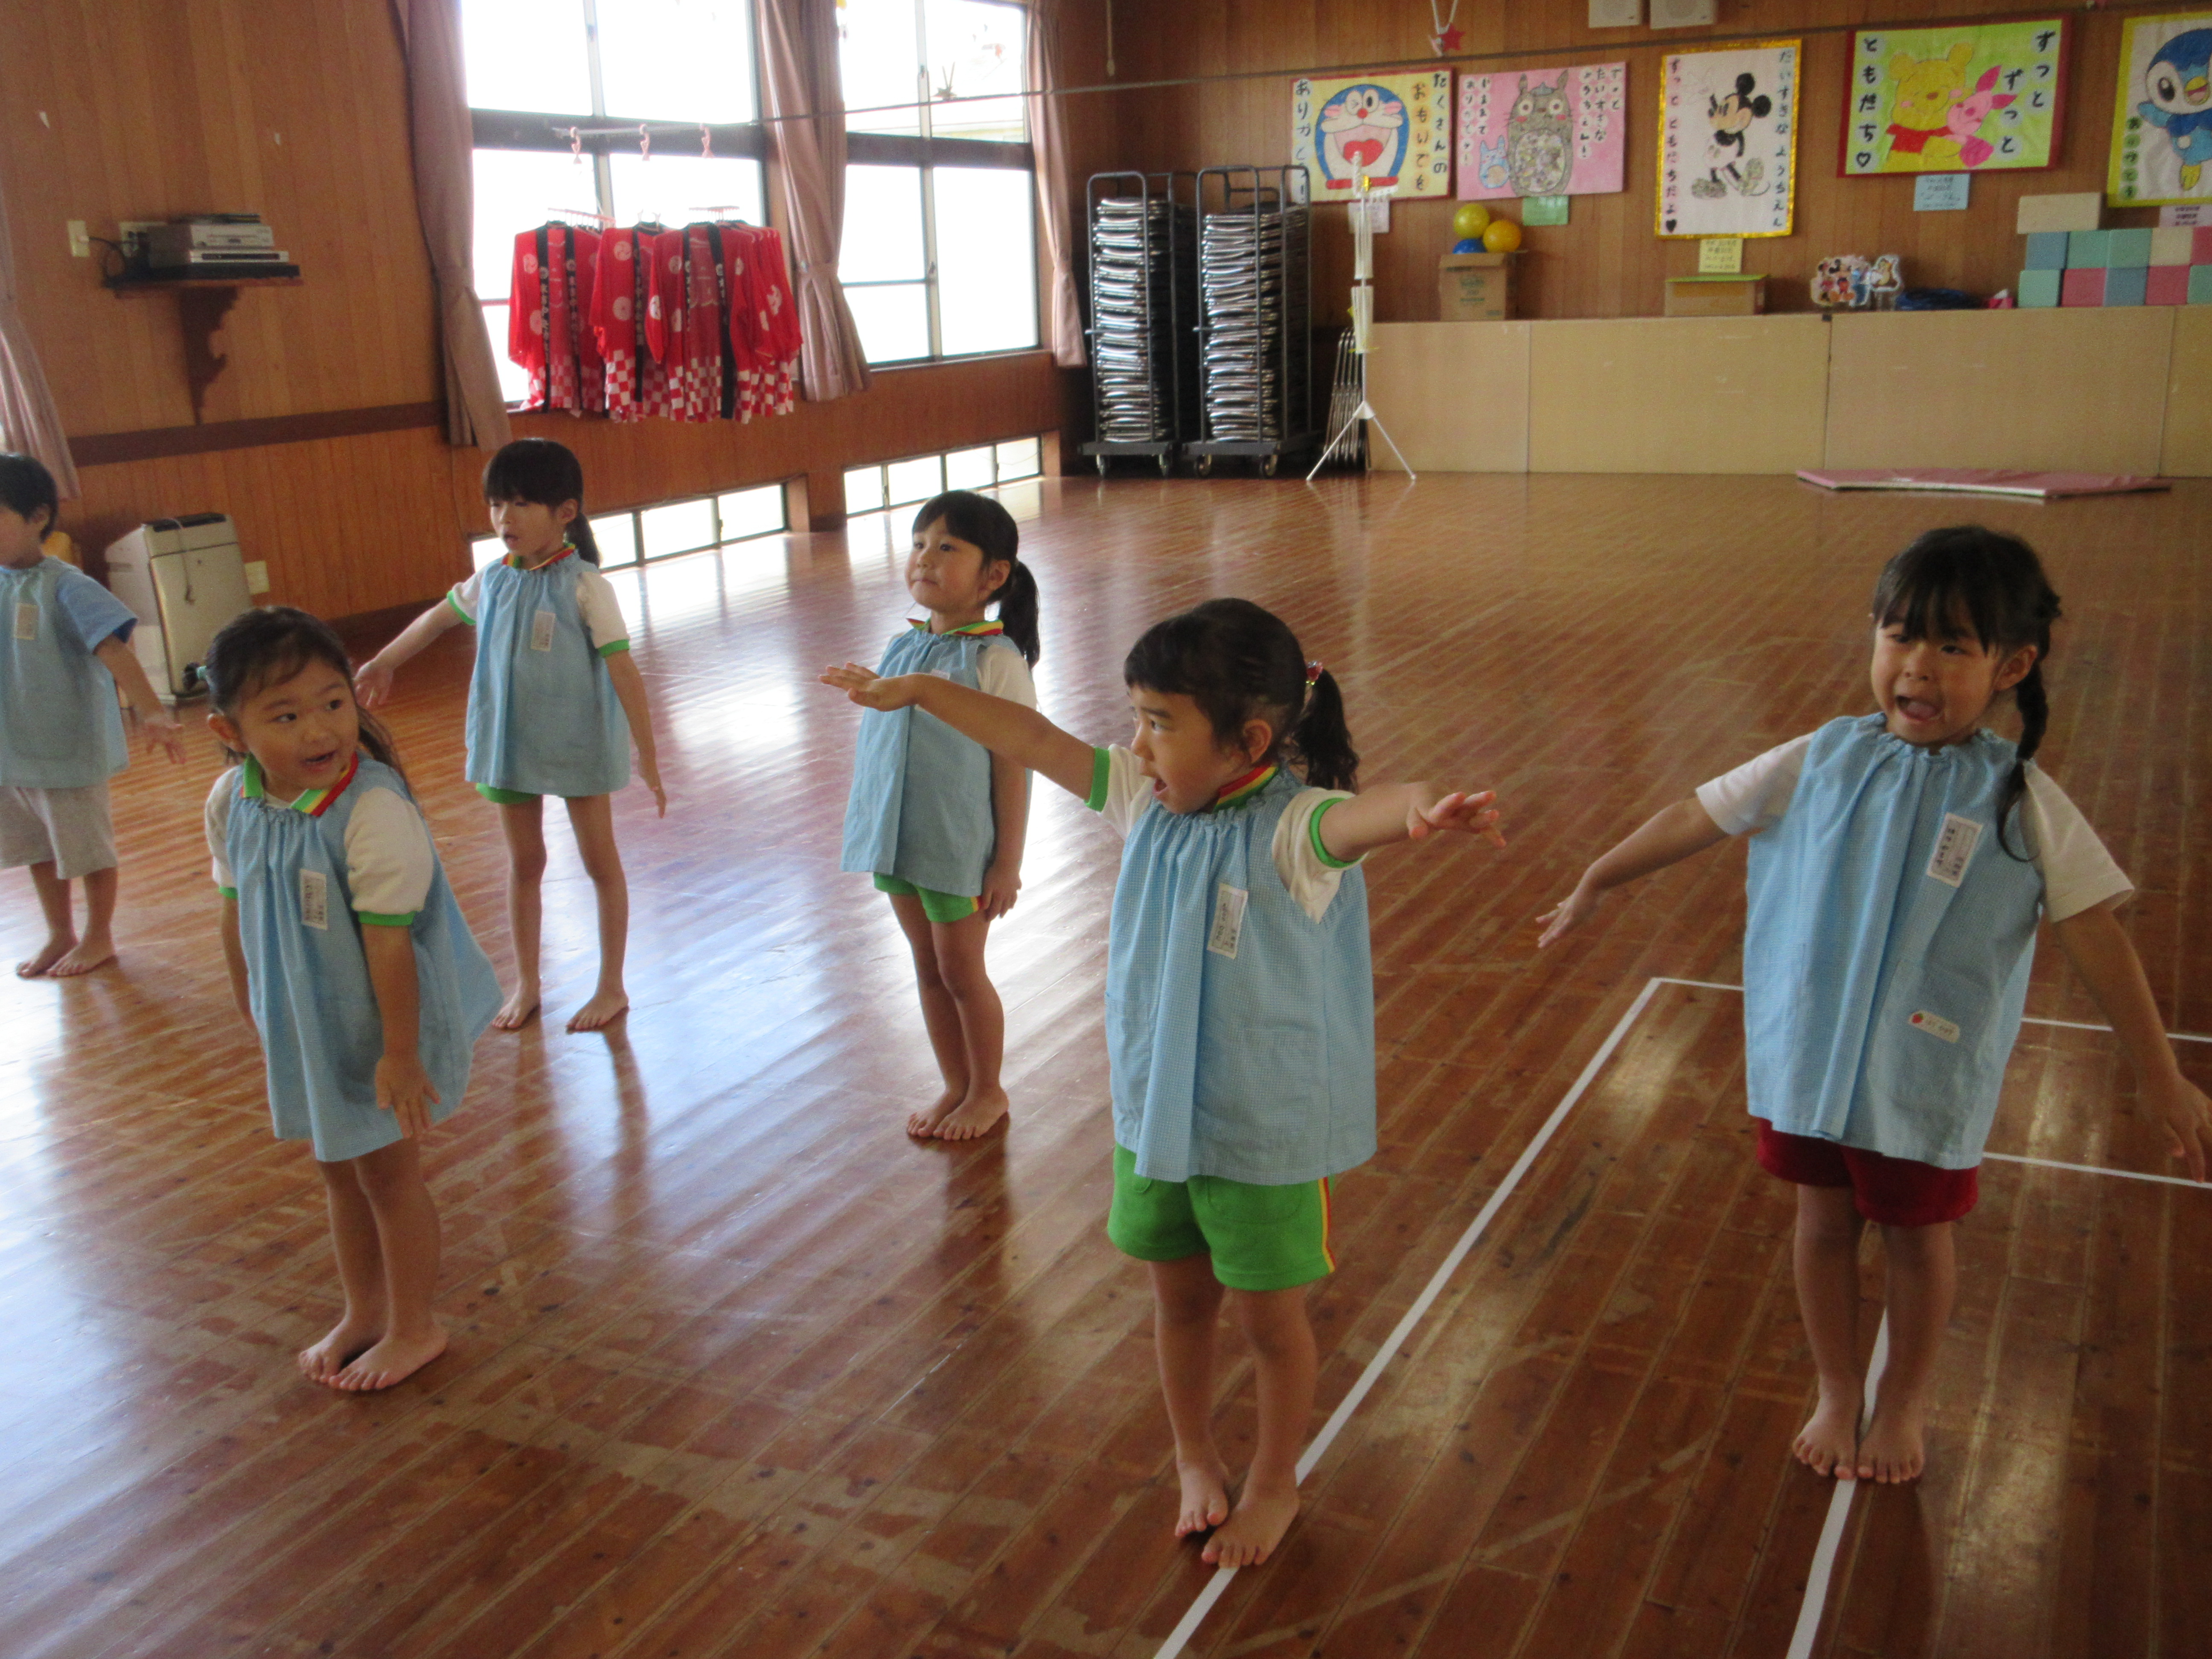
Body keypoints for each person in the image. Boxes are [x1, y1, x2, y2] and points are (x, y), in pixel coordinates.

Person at [824, 597, 1506, 1568]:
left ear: (1248, 741)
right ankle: (1194, 1456)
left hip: (1259, 1137)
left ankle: (1273, 1482)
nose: (1136, 745)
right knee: (1178, 1304)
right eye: (1136, 718)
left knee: (1270, 1323)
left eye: (1158, 722)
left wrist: (1421, 811)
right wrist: (923, 692)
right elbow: (1029, 736)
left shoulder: (1295, 828)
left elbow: (1368, 812)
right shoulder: (1143, 800)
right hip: (1155, 1122)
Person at [1538, 527, 2212, 1485]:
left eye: (1952, 646)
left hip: (1922, 1072)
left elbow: (2097, 933)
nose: (1917, 667)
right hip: (1811, 1059)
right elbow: (1697, 813)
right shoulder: (1818, 757)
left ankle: (1902, 1400)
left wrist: (2161, 1074)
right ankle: (1836, 1386)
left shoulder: (2019, 799)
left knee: (1915, 1241)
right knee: (1819, 1222)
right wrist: (1597, 879)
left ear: (2011, 666)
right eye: (1899, 636)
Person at [203, 607, 501, 1390]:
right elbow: (235, 910)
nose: (319, 729)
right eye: (286, 715)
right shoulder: (233, 801)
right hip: (308, 1020)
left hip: (383, 1023)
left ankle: (415, 1325)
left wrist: (399, 1054)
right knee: (339, 1170)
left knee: (390, 1178)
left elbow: (390, 943)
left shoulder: (371, 809)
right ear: (230, 731)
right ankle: (364, 1312)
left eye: (334, 703)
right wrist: (252, 1006)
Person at [355, 438, 664, 1032]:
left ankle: (611, 986)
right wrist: (384, 661)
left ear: (565, 512)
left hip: (576, 746)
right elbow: (435, 621)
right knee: (525, 863)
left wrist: (647, 757)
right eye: (497, 504)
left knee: (600, 863)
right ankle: (527, 983)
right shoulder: (491, 580)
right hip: (509, 745)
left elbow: (625, 671)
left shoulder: (586, 586)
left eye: (521, 504)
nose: (504, 518)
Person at [840, 491, 1041, 1140]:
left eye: (947, 547)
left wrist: (1007, 862)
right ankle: (956, 1083)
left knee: (961, 972)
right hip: (901, 839)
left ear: (993, 575)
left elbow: (1016, 763)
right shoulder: (901, 647)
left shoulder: (995, 660)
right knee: (928, 968)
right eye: (919, 544)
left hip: (958, 848)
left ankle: (988, 1090)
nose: (925, 558)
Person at [0, 452, 185, 976]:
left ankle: (99, 935)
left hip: (67, 750)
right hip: (13, 751)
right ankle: (60, 933)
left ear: (38, 516)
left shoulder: (67, 585)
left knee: (87, 850)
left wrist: (153, 712)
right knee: (38, 849)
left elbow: (113, 649)